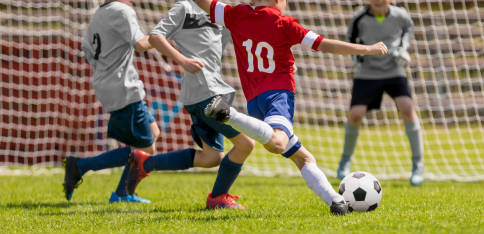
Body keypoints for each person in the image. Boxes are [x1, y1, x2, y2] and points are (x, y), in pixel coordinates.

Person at [193, 0, 388, 215]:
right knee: (278, 142)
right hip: (278, 96)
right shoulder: (283, 23)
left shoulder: (236, 14)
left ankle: (336, 202)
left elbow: (203, 3)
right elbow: (324, 44)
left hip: (254, 101)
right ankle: (228, 114)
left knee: (303, 158)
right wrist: (367, 48)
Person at [125, 0, 255, 209]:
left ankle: (144, 163)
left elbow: (246, 37)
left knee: (211, 158)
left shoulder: (219, 11)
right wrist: (183, 61)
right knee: (245, 143)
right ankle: (218, 198)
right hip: (204, 95)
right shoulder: (184, 8)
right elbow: (156, 37)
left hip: (214, 92)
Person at [66, 0, 159, 203]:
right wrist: (165, 34)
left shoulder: (99, 14)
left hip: (109, 83)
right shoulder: (123, 10)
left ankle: (123, 192)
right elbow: (141, 45)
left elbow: (87, 51)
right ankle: (81, 167)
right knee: (145, 149)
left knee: (153, 133)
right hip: (123, 86)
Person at [336, 0, 424, 185]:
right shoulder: (359, 18)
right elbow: (350, 39)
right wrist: (358, 59)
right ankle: (345, 161)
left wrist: (403, 49)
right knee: (355, 115)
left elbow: (409, 29)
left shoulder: (401, 15)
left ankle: (418, 165)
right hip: (367, 73)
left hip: (394, 70)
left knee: (407, 108)